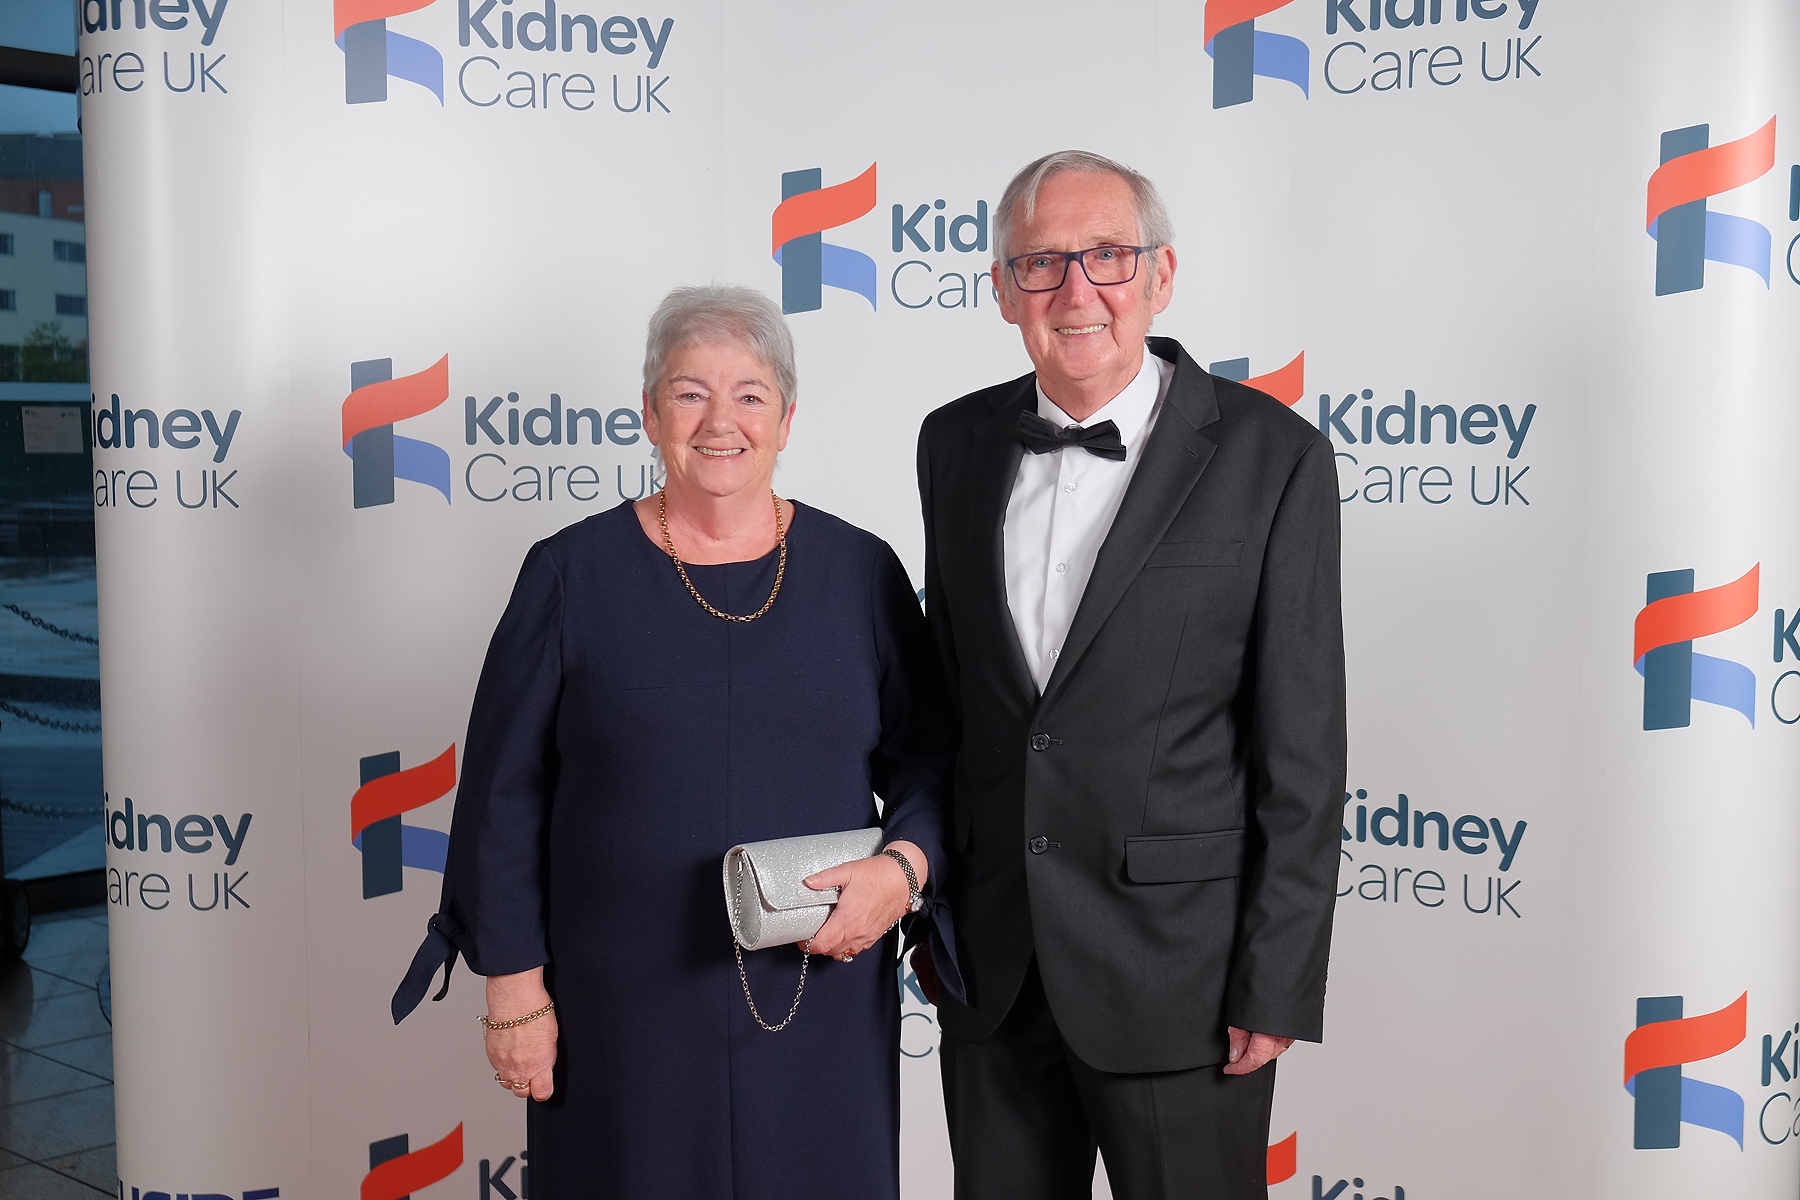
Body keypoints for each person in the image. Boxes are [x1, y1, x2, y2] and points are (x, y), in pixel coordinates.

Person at [392, 285, 959, 1200]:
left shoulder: (861, 571)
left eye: (749, 394)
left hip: (818, 989)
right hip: (620, 1004)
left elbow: (931, 761)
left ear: (787, 418)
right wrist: (513, 994)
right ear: (650, 412)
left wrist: (903, 869)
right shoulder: (570, 573)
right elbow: (502, 797)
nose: (719, 420)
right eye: (690, 392)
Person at [912, 150, 1346, 1199]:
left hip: (1183, 979)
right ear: (1003, 289)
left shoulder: (1272, 454)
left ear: (1161, 275)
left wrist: (1275, 979)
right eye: (1042, 261)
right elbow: (953, 701)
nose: (1077, 290)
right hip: (995, 971)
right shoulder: (952, 442)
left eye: (1107, 255)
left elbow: (1303, 745)